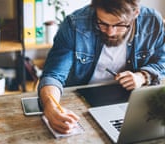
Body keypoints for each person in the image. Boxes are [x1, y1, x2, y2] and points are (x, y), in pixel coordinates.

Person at [38, 0, 165, 134]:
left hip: (132, 102)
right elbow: (53, 74)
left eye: (120, 24)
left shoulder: (152, 21)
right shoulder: (74, 24)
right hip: (81, 101)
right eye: (102, 23)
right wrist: (50, 106)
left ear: (136, 13)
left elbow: (162, 62)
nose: (110, 32)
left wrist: (142, 76)